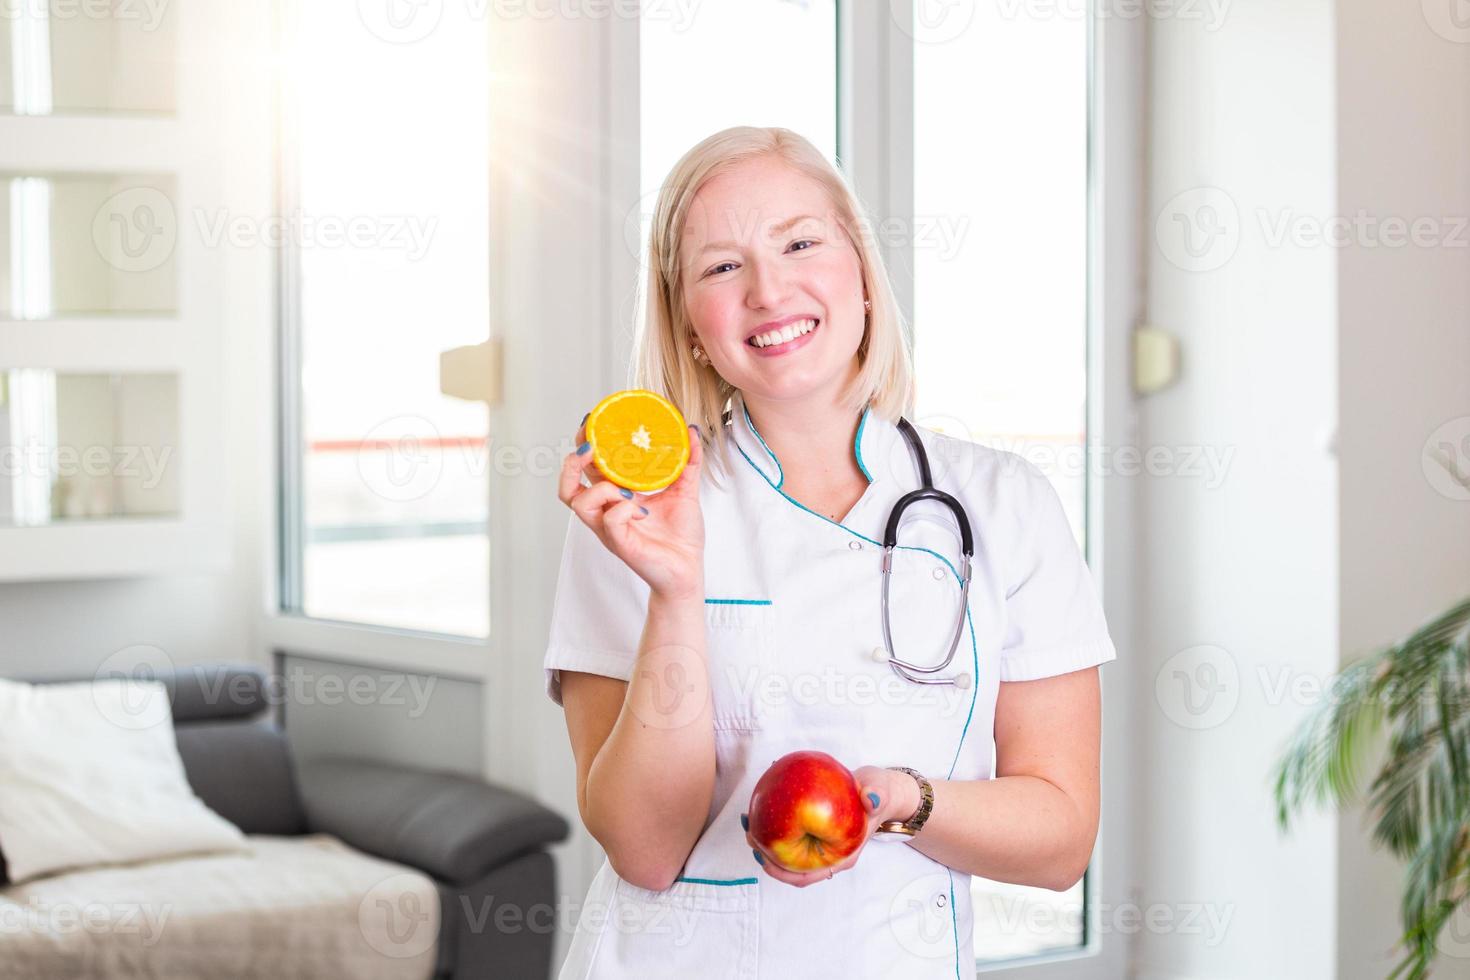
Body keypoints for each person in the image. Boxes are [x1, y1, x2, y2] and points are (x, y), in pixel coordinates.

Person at [544, 125, 1116, 978]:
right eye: (721, 266)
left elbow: (1060, 840)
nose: (770, 291)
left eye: (800, 243)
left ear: (861, 272)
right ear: (689, 321)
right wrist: (675, 592)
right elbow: (646, 850)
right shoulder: (635, 516)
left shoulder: (1004, 505)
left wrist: (899, 800)